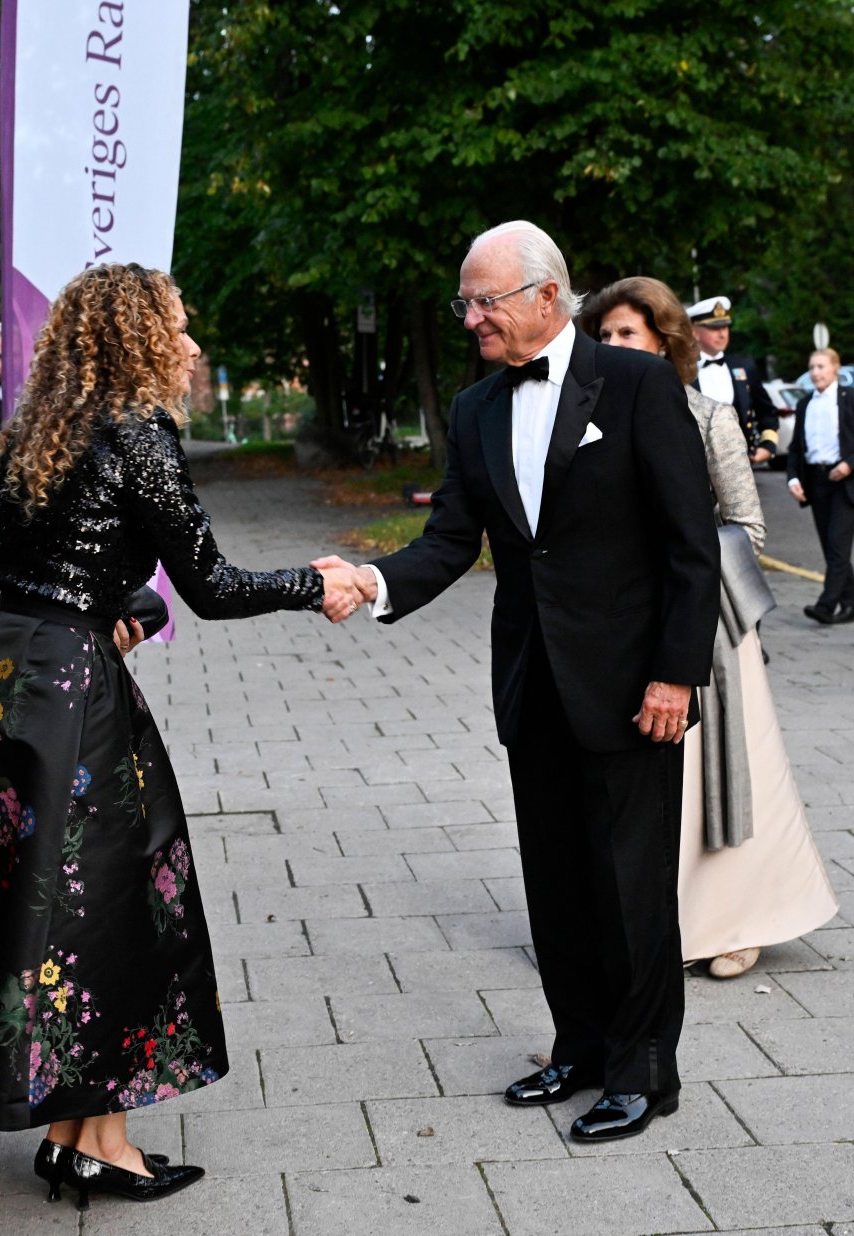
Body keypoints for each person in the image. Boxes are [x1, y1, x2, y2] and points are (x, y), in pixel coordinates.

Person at [0, 263, 361, 1207]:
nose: (193, 344)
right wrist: (316, 582)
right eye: (181, 326)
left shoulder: (35, 430)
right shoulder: (140, 435)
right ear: (142, 341)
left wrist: (119, 605)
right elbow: (211, 586)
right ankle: (91, 1138)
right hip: (64, 696)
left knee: (56, 907)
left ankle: (87, 1134)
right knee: (109, 904)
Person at [315, 222, 720, 1142]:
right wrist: (369, 582)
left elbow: (690, 548)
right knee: (558, 881)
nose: (470, 319)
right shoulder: (474, 408)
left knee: (631, 885)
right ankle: (576, 1046)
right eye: (465, 301)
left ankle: (643, 1069)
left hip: (631, 687)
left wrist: (675, 674)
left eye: (483, 300)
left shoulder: (638, 384)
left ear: (546, 296)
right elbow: (454, 539)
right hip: (534, 683)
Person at [584, 278, 837, 981]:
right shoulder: (586, 418)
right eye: (603, 337)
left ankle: (737, 920)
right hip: (618, 626)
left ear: (664, 342)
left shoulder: (706, 416)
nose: (612, 348)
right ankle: (645, 923)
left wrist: (679, 573)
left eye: (627, 335)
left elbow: (746, 525)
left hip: (708, 630)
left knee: (720, 780)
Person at [787, 348, 854, 625]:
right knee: (830, 548)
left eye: (821, 367)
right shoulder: (804, 404)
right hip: (817, 481)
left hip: (845, 481)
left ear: (835, 368)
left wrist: (849, 464)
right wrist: (793, 478)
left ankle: (825, 606)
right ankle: (851, 602)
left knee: (838, 547)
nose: (815, 372)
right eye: (812, 367)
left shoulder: (849, 398)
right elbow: (795, 448)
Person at [687, 296, 779, 463]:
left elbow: (767, 412)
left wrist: (768, 445)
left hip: (739, 464)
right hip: (694, 466)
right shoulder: (681, 370)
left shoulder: (743, 367)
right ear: (695, 332)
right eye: (714, 328)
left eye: (725, 327)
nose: (722, 334)